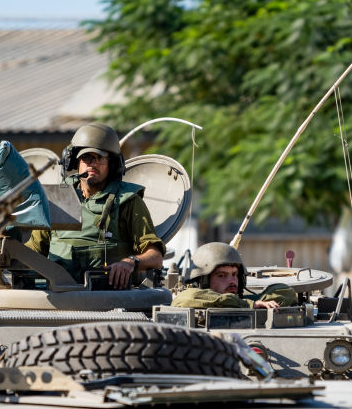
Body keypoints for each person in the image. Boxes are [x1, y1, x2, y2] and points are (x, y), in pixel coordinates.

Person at [25, 122, 164, 288]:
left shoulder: (128, 201)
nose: (93, 164)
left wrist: (130, 262)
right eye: (87, 157)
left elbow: (155, 256)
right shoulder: (57, 198)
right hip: (58, 295)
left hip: (108, 299)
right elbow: (33, 251)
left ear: (112, 164)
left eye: (100, 158)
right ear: (75, 162)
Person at [171, 242, 296, 309]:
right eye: (222, 275)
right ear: (203, 280)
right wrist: (248, 305)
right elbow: (187, 297)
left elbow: (286, 292)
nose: (232, 281)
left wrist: (254, 303)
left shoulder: (247, 302)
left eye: (235, 274)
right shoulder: (192, 299)